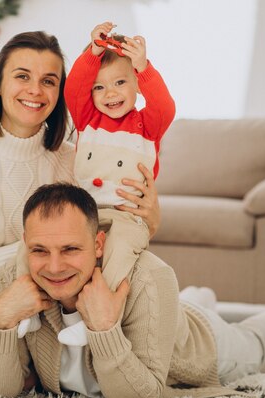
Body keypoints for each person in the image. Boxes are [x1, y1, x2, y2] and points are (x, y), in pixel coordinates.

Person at [0, 31, 162, 388]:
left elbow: (101, 238)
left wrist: (151, 217)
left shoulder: (74, 161)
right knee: (4, 383)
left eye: (48, 81)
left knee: (74, 378)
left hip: (49, 316)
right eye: (22, 76)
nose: (35, 90)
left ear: (60, 92)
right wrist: (37, 254)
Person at [0, 182, 265, 398]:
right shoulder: (15, 275)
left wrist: (103, 328)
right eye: (39, 249)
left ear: (98, 244)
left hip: (195, 344)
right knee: (178, 304)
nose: (54, 267)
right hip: (162, 309)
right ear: (26, 242)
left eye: (70, 249)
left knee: (257, 341)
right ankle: (197, 296)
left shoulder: (151, 278)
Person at [19, 22, 175, 346]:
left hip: (127, 215)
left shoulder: (147, 126)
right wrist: (92, 52)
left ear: (138, 86)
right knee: (43, 248)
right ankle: (32, 310)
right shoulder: (88, 119)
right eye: (100, 87)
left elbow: (165, 106)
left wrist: (144, 67)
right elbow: (74, 87)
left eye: (120, 82)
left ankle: (99, 317)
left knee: (117, 253)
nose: (110, 93)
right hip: (83, 212)